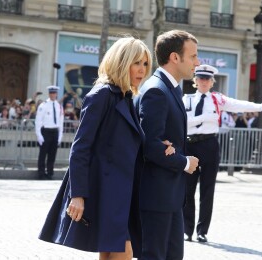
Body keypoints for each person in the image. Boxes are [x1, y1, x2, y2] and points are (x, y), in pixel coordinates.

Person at [38, 36, 175, 260]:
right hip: (103, 191)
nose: (142, 70)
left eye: (145, 64)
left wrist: (159, 145)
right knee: (123, 251)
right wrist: (78, 195)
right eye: (136, 63)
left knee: (111, 252)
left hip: (121, 193)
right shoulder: (102, 95)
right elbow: (80, 148)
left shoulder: (126, 96)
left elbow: (125, 143)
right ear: (122, 62)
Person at [182, 64, 262, 243]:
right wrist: (204, 118)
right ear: (195, 81)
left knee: (207, 189)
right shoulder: (186, 99)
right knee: (187, 189)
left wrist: (260, 107)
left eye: (207, 79)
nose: (203, 82)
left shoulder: (217, 100)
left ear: (212, 82)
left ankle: (202, 230)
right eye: (200, 78)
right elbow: (184, 123)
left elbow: (238, 105)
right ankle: (186, 229)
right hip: (190, 145)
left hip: (209, 144)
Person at [134, 30, 199, 260]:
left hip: (169, 195)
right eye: (193, 56)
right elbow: (151, 145)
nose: (197, 62)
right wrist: (184, 162)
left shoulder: (168, 88)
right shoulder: (156, 90)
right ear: (175, 57)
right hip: (156, 196)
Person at [35, 85, 64, 180]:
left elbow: (61, 122)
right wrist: (39, 135)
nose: (53, 95)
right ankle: (41, 173)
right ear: (49, 94)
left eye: (54, 93)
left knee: (52, 154)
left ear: (56, 94)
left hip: (55, 132)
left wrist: (60, 136)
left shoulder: (59, 106)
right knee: (43, 154)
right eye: (51, 93)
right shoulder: (43, 105)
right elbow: (38, 121)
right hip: (45, 131)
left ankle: (50, 173)